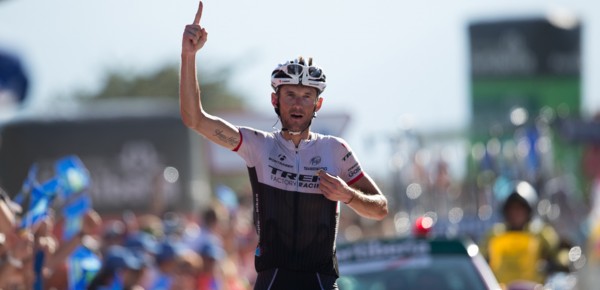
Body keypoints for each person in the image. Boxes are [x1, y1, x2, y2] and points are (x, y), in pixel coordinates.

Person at [179, 2, 388, 289]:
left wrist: (348, 195)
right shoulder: (258, 146)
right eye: (290, 95)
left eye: (306, 96)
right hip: (273, 280)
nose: (298, 104)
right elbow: (195, 119)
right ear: (275, 101)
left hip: (321, 280)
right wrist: (188, 56)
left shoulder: (335, 150)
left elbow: (380, 208)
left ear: (318, 103)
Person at [479, 180, 565, 287]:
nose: (516, 214)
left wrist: (554, 264)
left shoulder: (540, 234)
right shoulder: (494, 235)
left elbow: (559, 253)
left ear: (528, 211)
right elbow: (479, 259)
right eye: (512, 209)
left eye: (519, 209)